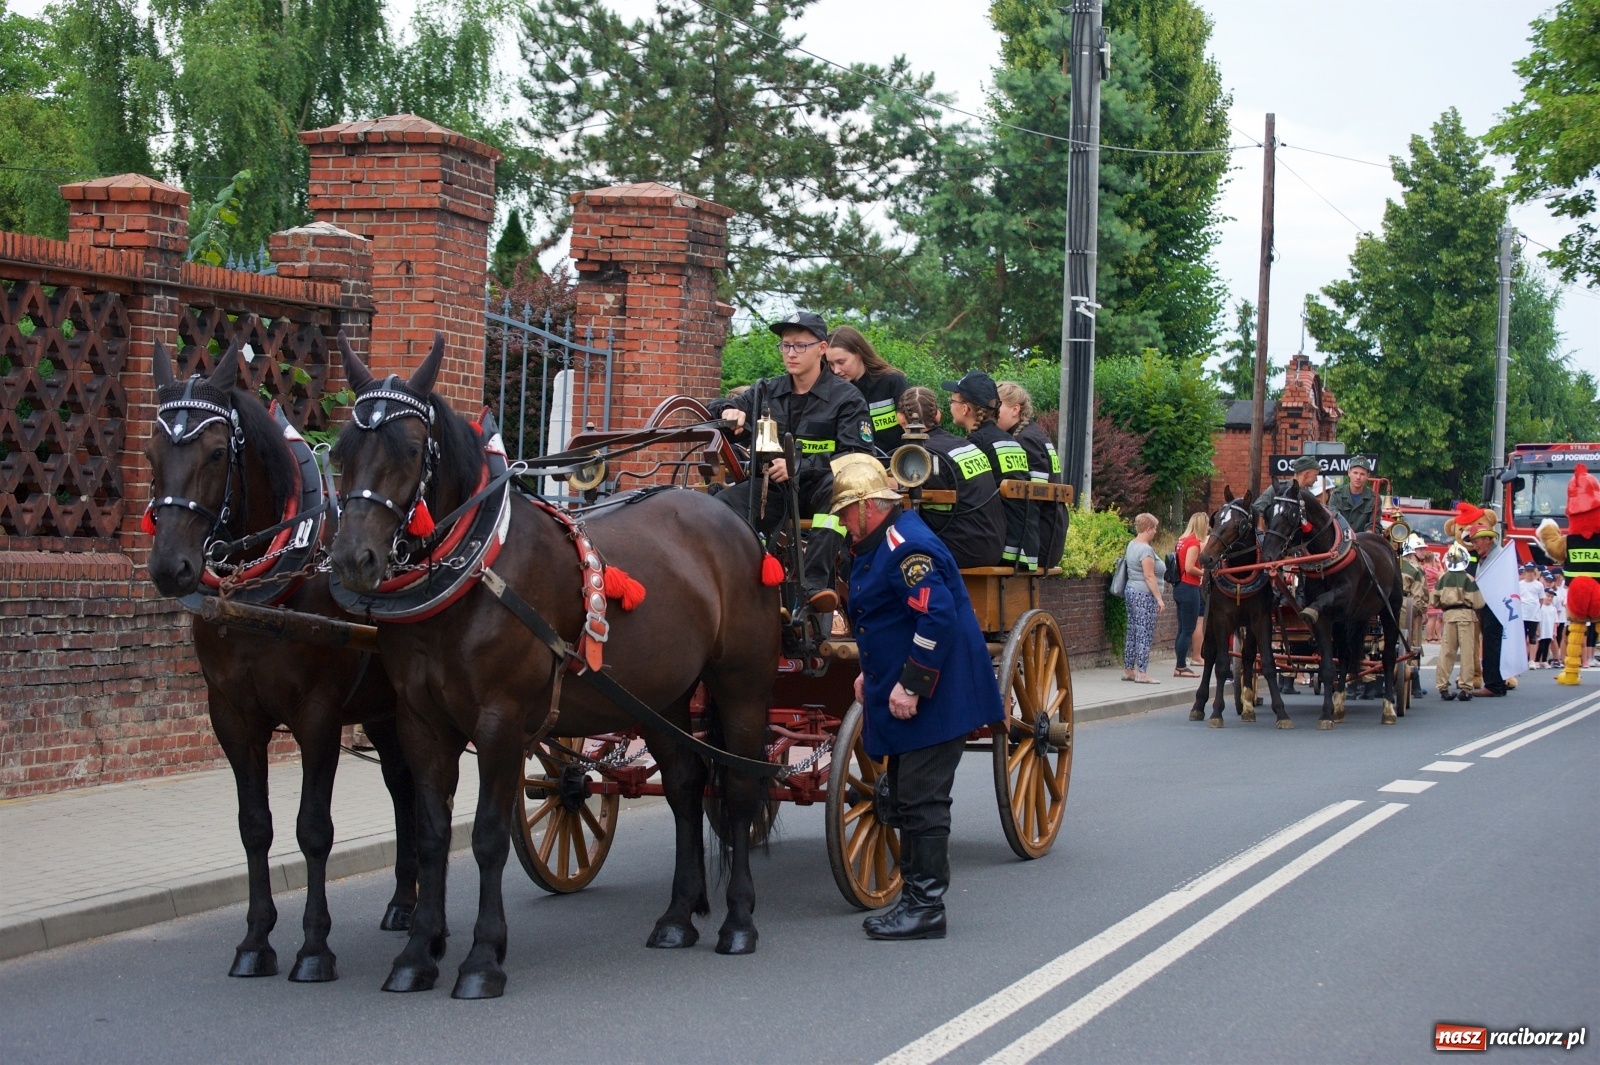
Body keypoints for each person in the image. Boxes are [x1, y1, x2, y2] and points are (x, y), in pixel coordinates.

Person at [831, 453, 1002, 941]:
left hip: (939, 694)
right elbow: (884, 621)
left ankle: (926, 908)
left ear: (868, 507)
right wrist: (873, 676)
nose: (842, 520)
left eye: (846, 510)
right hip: (912, 686)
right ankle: (915, 901)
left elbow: (936, 618)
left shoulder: (906, 546)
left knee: (923, 800)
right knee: (907, 796)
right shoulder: (881, 541)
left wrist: (910, 684)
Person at [718, 310, 872, 613]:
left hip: (819, 491)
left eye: (800, 346)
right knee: (720, 505)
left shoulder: (848, 398)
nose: (791, 353)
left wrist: (800, 465)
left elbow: (857, 455)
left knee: (840, 488)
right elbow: (720, 406)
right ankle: (737, 582)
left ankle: (814, 586)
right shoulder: (766, 391)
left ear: (822, 348)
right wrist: (728, 410)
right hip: (772, 491)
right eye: (785, 345)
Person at [896, 386, 1005, 568]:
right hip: (993, 544)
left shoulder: (924, 455)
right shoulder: (964, 445)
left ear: (901, 418)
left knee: (889, 549)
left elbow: (935, 519)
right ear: (938, 415)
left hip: (964, 549)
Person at [942, 371, 1034, 569]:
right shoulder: (1010, 440)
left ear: (965, 409)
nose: (950, 405)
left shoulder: (976, 444)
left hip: (1001, 546)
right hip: (1024, 546)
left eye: (952, 400)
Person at [996, 381, 1069, 573]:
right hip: (1050, 533)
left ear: (1015, 409)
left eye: (998, 406)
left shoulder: (1025, 440)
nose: (992, 413)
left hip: (1041, 538)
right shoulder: (1034, 434)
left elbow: (1035, 497)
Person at [826, 326, 908, 456]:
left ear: (858, 353)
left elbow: (915, 428)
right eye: (831, 364)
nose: (836, 370)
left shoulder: (892, 381)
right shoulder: (834, 391)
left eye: (841, 362)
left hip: (896, 464)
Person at [1431, 543, 1484, 700]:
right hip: (1466, 616)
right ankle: (1465, 688)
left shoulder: (1443, 578)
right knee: (1467, 652)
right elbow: (1478, 602)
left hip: (1449, 616)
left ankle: (1443, 686)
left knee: (1447, 652)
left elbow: (1434, 600)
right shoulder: (1468, 579)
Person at [1120, 513, 1166, 683]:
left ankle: (1128, 669)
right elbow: (1149, 576)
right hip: (1144, 595)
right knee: (1144, 633)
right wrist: (1159, 598)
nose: (1155, 532)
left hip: (1131, 590)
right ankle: (1142, 673)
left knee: (1132, 631)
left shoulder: (1131, 544)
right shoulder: (1146, 550)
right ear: (1148, 529)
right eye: (1154, 528)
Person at [1466, 526, 1508, 697]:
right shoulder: (1486, 556)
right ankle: (1496, 682)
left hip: (1495, 604)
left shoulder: (1498, 556)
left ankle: (1494, 685)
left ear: (1488, 539)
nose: (1475, 545)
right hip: (1489, 604)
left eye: (1477, 541)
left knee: (1492, 643)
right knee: (1491, 643)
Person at [1171, 511, 1209, 678]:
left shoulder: (1181, 540)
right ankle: (1180, 666)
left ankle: (1180, 664)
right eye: (1207, 524)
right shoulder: (1193, 543)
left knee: (1182, 629)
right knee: (1188, 629)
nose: (1208, 527)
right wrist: (1205, 573)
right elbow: (1189, 567)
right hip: (1189, 586)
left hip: (1179, 586)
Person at [1399, 535, 1429, 698]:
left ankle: (1371, 686)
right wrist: (1422, 611)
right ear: (1411, 550)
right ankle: (1414, 685)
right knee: (1411, 644)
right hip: (1409, 606)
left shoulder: (1392, 563)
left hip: (1389, 604)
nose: (1424, 551)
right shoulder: (1415, 569)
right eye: (1420, 548)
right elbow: (1420, 595)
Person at [1254, 455, 1321, 518]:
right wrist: (1262, 526)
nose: (1316, 479)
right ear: (1306, 474)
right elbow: (1257, 508)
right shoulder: (1278, 488)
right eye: (1315, 475)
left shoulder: (1308, 496)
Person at [1328, 457, 1376, 533]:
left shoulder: (1374, 499)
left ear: (1367, 476)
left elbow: (1374, 526)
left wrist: (1366, 537)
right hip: (1341, 539)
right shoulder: (1337, 495)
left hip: (1363, 542)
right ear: (1349, 472)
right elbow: (1334, 520)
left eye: (1362, 474)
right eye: (1355, 473)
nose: (1358, 477)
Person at [1518, 563, 1544, 663]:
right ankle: (1522, 659)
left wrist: (1536, 609)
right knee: (1522, 637)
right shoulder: (1519, 584)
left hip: (1533, 615)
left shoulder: (1539, 585)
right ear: (1524, 572)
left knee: (1532, 637)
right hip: (1522, 614)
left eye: (1531, 572)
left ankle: (1532, 660)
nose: (1529, 574)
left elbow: (1541, 599)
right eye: (1527, 571)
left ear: (1535, 573)